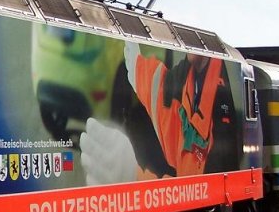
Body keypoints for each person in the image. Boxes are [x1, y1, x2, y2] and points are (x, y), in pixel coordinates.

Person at [80, 40, 236, 184]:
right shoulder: (188, 75)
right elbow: (163, 95)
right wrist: (138, 70)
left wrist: (133, 177)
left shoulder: (220, 114)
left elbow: (196, 186)